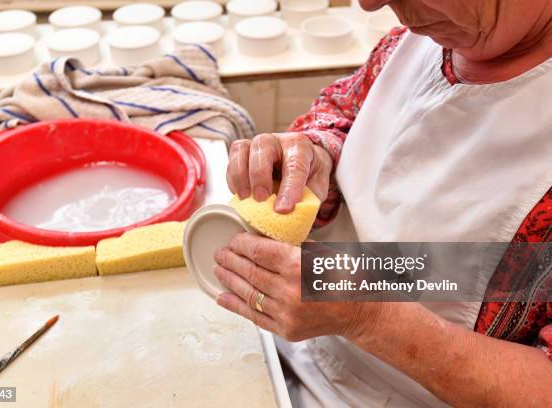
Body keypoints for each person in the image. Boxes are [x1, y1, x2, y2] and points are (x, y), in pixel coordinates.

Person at [213, 0, 552, 407]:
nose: (370, 3)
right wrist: (316, 155)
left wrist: (367, 316)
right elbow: (342, 113)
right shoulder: (416, 42)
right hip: (302, 352)